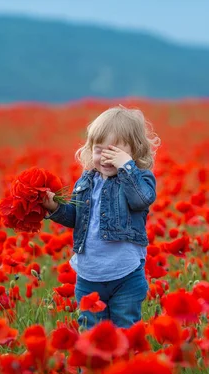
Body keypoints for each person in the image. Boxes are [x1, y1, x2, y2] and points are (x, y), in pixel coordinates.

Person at [42, 105, 160, 330]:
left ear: (133, 153)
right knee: (91, 334)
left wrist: (126, 168)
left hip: (126, 276)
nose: (105, 158)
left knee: (126, 332)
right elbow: (75, 218)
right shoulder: (86, 181)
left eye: (114, 152)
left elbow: (141, 200)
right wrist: (55, 208)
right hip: (88, 277)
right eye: (99, 150)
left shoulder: (140, 179)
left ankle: (124, 366)